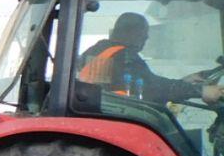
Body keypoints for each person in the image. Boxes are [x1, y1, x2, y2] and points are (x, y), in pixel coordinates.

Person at [78, 11, 224, 106]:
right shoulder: (122, 56)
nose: (146, 38)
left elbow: (145, 84)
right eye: (143, 33)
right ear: (130, 32)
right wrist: (200, 91)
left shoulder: (100, 52)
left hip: (104, 113)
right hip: (117, 118)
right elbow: (152, 88)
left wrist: (184, 82)